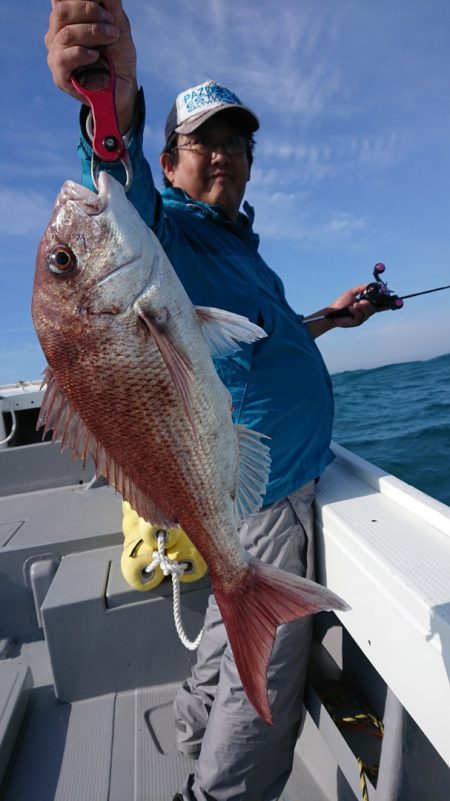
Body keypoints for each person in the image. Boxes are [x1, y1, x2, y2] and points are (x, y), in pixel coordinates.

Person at [45, 3, 382, 799]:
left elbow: (259, 339)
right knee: (267, 670)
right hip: (267, 486)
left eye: (237, 142)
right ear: (169, 163)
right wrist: (109, 103)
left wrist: (331, 318)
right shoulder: (166, 236)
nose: (226, 155)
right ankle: (217, 791)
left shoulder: (240, 249)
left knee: (236, 627)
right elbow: (117, 180)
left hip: (247, 482)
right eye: (205, 143)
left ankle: (192, 719)